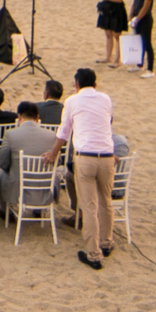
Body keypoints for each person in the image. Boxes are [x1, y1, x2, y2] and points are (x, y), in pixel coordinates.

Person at [52, 67, 117, 269]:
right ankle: (106, 242)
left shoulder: (72, 101)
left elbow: (63, 132)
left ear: (76, 84)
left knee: (89, 206)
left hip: (86, 157)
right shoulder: (105, 99)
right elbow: (108, 122)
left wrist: (53, 152)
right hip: (106, 156)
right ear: (95, 84)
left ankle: (94, 254)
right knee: (106, 201)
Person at [0, 101, 59, 223]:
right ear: (37, 117)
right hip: (44, 186)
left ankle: (5, 210)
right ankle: (39, 209)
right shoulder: (51, 135)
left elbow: (3, 163)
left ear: (19, 116)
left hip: (18, 187)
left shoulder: (11, 134)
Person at [94, 0, 129, 67]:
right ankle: (108, 57)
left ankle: (117, 59)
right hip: (107, 8)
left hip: (117, 9)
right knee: (108, 34)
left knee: (116, 35)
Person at [130, 0, 156, 78]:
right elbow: (134, 2)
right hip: (137, 16)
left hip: (145, 19)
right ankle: (139, 64)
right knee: (138, 42)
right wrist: (131, 15)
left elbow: (146, 7)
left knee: (147, 43)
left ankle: (150, 69)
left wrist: (138, 18)